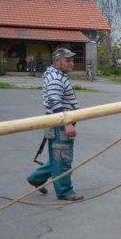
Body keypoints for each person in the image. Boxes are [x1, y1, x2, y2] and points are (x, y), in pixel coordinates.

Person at [26, 48, 84, 201]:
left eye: (72, 60)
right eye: (67, 60)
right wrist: (67, 123)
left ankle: (37, 178)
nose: (71, 63)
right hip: (60, 123)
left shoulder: (58, 75)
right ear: (57, 62)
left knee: (59, 156)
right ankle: (65, 191)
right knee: (62, 159)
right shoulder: (55, 78)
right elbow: (54, 101)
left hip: (60, 122)